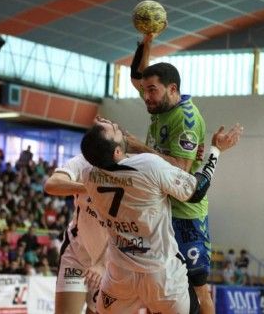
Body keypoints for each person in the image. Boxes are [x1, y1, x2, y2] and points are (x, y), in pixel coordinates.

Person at [80, 118, 242, 314]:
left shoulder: (88, 174)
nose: (118, 127)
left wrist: (112, 135)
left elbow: (113, 160)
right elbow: (197, 190)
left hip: (120, 274)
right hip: (161, 274)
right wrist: (215, 150)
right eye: (115, 130)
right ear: (117, 151)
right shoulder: (148, 165)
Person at [129, 33, 213, 313]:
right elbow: (136, 75)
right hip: (160, 210)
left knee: (198, 288)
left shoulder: (186, 119)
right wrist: (147, 41)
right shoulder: (160, 103)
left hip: (186, 214)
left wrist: (138, 147)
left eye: (151, 90)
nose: (146, 96)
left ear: (172, 89)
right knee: (162, 287)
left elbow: (179, 171)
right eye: (146, 90)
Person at [44, 154, 109, 314]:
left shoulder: (129, 172)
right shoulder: (85, 160)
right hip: (76, 252)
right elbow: (51, 184)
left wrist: (101, 264)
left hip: (108, 260)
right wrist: (88, 188)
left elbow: (125, 232)